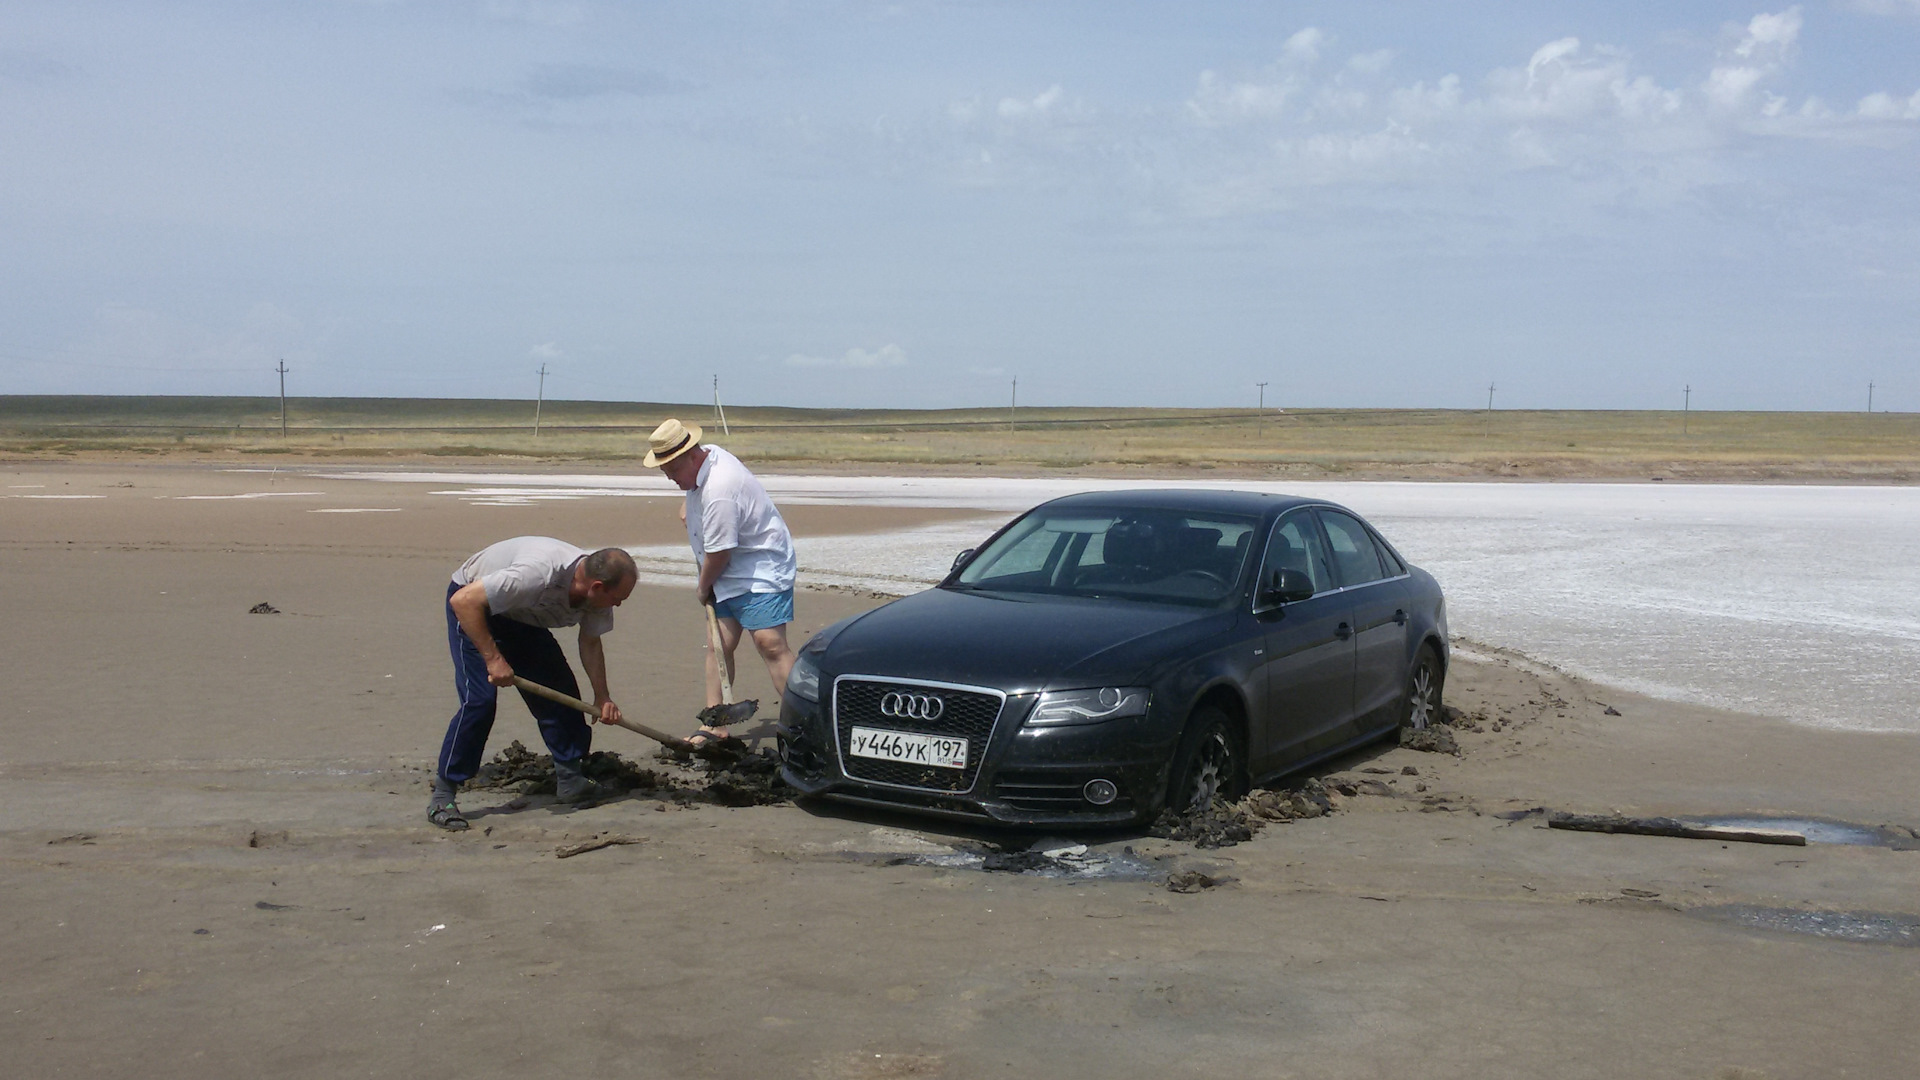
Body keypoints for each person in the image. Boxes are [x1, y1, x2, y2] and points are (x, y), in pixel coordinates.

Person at [427, 537, 637, 830]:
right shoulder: (536, 573)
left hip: (523, 618)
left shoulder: (596, 595)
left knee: (561, 694)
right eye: (618, 599)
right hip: (476, 607)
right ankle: (443, 793)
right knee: (480, 701)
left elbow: (590, 641)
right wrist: (493, 659)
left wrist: (602, 697)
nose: (618, 605)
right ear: (596, 587)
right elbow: (463, 602)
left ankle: (570, 779)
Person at [644, 418, 798, 747]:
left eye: (670, 469)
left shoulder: (720, 489)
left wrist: (702, 587)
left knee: (769, 643)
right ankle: (715, 724)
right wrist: (690, 503)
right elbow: (699, 496)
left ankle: (806, 721)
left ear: (688, 456)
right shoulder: (706, 460)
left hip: (760, 566)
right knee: (718, 644)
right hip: (726, 569)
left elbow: (720, 552)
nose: (669, 478)